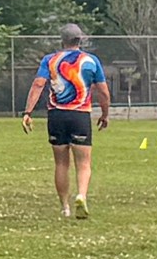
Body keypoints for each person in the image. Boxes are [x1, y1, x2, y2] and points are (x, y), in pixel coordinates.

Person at [22, 23, 111, 219]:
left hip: (56, 116)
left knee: (61, 164)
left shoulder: (50, 60)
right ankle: (81, 195)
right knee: (84, 162)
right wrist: (105, 114)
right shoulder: (91, 60)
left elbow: (38, 84)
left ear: (62, 40)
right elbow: (103, 92)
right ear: (80, 39)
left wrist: (27, 112)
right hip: (80, 115)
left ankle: (65, 207)